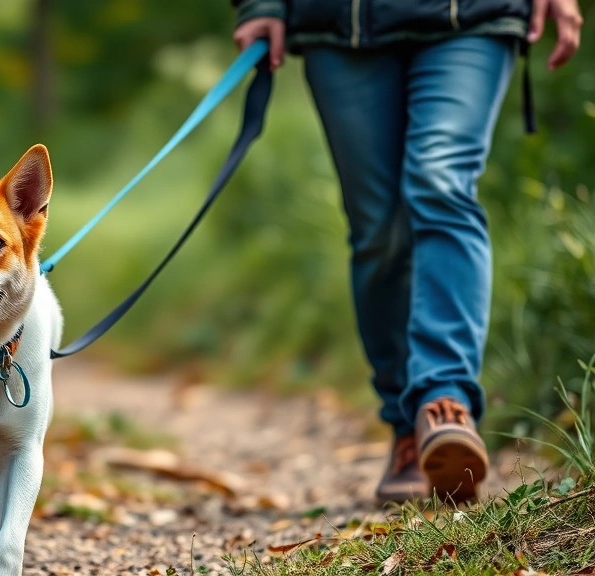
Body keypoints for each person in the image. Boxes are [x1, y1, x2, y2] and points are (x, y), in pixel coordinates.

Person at [231, 0, 583, 503]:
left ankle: (444, 400)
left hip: (472, 16)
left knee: (442, 182)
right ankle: (408, 429)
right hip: (340, 24)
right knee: (379, 228)